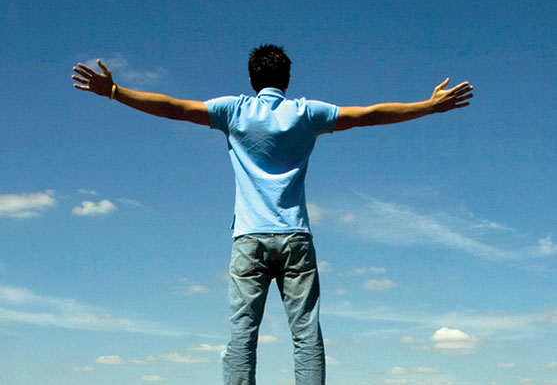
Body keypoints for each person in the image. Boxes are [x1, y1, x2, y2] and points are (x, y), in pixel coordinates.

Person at [72, 44, 473, 385]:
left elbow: (174, 108)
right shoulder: (306, 113)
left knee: (241, 336)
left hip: (248, 240)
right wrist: (429, 106)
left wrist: (115, 92)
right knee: (306, 335)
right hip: (296, 237)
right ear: (287, 79)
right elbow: (369, 115)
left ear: (251, 79)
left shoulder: (235, 111)